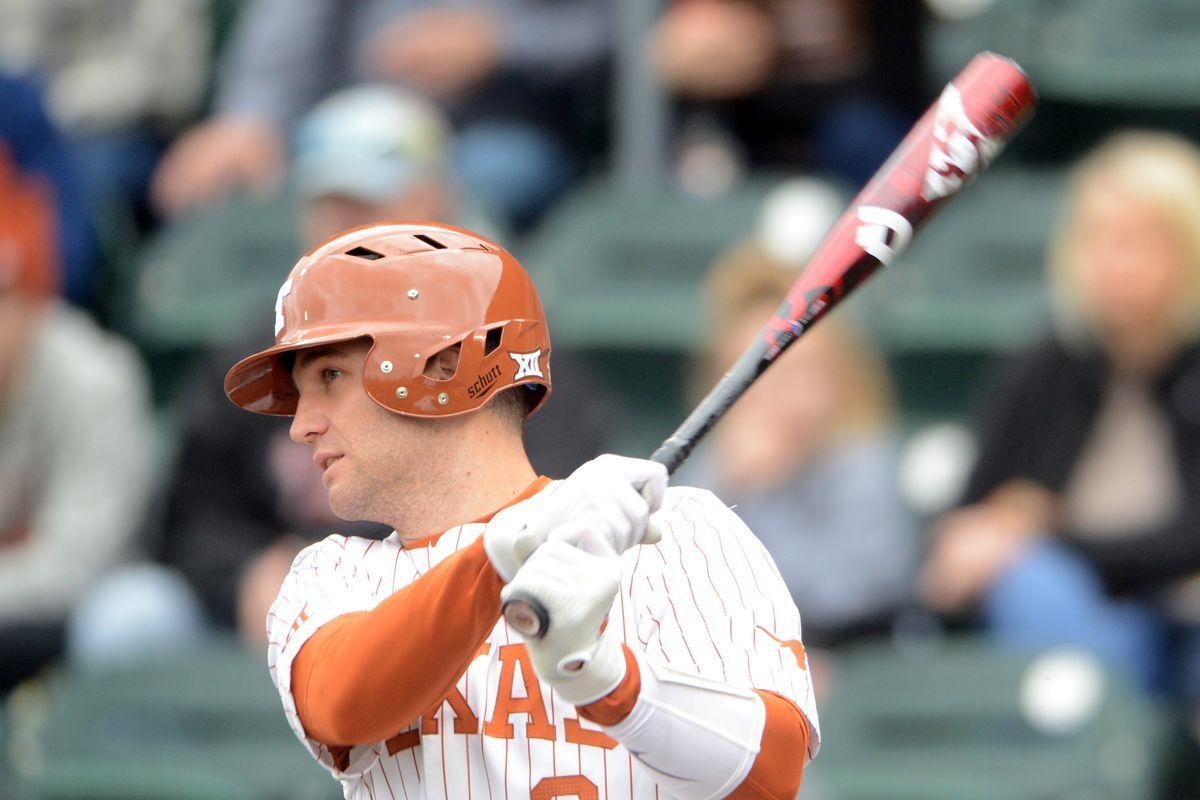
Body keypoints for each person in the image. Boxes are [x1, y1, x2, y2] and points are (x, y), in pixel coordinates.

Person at [222, 221, 819, 797]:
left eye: (330, 376)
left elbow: (772, 773)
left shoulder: (678, 533)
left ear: (444, 366)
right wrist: (499, 557)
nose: (300, 427)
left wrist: (608, 680)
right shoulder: (331, 574)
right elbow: (343, 702)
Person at [150, 85, 620, 651]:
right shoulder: (263, 342)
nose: (344, 232)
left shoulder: (497, 336)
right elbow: (194, 509)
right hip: (286, 598)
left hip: (451, 596)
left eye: (367, 207)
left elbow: (552, 501)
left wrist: (399, 574)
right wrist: (245, 574)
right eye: (329, 206)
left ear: (435, 201)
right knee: (135, 613)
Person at [919, 131, 1200, 712]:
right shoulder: (1046, 364)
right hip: (1084, 618)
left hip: (1184, 618)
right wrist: (1001, 541)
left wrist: (1049, 534)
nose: (1108, 262)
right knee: (1034, 584)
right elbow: (971, 523)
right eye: (1094, 238)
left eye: (1134, 241)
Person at [150, 0, 609, 229]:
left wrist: (501, 41)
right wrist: (251, 117)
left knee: (497, 170)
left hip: (499, 127)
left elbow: (615, 32)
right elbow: (290, 22)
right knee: (266, 182)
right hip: (356, 119)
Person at [681, 240, 915, 648]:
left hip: (848, 657)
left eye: (797, 374)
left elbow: (856, 593)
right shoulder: (714, 471)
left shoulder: (862, 458)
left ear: (838, 378)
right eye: (750, 380)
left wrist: (763, 491)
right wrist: (733, 484)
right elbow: (680, 584)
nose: (776, 397)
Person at [0, 144, 156, 691]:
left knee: (127, 619)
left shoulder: (96, 379)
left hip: (75, 622)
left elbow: (73, 570)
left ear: (35, 299)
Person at [653, 0, 923, 189]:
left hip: (854, 131)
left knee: (859, 133)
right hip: (747, 134)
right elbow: (674, 55)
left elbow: (898, 81)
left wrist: (764, 74)